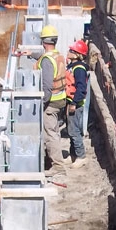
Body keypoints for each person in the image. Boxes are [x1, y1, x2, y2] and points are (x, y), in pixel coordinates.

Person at [35, 26, 69, 173]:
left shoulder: (47, 61)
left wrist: (40, 105)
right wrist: (31, 54)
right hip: (61, 98)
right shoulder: (58, 55)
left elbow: (47, 87)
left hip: (51, 102)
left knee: (50, 134)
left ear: (43, 42)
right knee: (54, 131)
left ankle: (57, 166)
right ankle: (55, 160)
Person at [66, 38, 89, 168]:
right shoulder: (72, 67)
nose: (68, 52)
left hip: (76, 104)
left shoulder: (79, 69)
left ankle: (81, 156)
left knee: (74, 131)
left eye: (71, 50)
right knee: (71, 130)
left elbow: (81, 88)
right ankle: (73, 155)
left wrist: (74, 102)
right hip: (71, 102)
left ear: (77, 54)